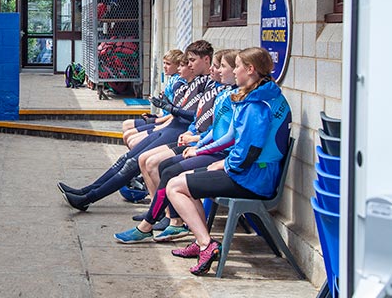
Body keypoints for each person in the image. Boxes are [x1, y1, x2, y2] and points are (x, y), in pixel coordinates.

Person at [165, 47, 291, 276]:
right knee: (182, 179)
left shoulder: (257, 104)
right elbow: (239, 139)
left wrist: (225, 165)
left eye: (238, 66)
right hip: (254, 172)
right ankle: (201, 240)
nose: (234, 72)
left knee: (175, 186)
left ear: (250, 70)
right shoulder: (265, 94)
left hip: (253, 178)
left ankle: (206, 245)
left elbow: (248, 151)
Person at [58, 40, 214, 211]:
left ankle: (88, 198)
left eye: (192, 61)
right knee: (125, 159)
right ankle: (86, 191)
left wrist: (170, 109)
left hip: (179, 130)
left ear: (206, 60)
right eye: (187, 62)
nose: (188, 65)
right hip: (172, 126)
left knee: (134, 163)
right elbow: (186, 110)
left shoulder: (209, 83)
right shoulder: (197, 80)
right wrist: (166, 111)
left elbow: (197, 116)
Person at [114, 49, 238, 243]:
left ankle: (168, 227)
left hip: (230, 163)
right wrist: (198, 140)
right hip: (213, 149)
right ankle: (194, 236)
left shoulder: (249, 101)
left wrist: (200, 147)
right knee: (161, 166)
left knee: (171, 175)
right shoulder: (230, 93)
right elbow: (216, 129)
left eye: (222, 66)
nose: (217, 70)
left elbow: (233, 139)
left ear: (250, 70)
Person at [121, 49, 184, 137]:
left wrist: (155, 120)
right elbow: (165, 111)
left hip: (169, 123)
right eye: (164, 63)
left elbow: (176, 114)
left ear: (178, 66)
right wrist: (154, 116)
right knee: (126, 124)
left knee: (130, 134)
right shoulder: (172, 79)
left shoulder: (178, 84)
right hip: (163, 118)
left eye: (168, 64)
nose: (165, 66)